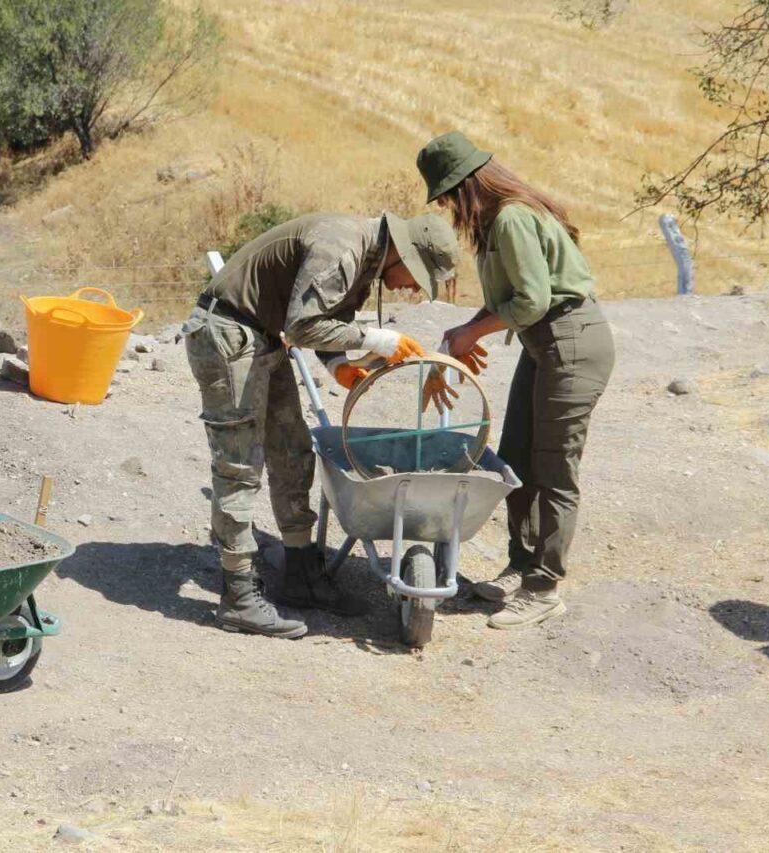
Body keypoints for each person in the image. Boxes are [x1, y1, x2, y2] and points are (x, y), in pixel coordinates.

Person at [186, 211, 462, 638]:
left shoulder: (366, 260)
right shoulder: (342, 247)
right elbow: (303, 325)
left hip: (261, 336)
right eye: (415, 277)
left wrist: (337, 366)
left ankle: (301, 575)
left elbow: (328, 323)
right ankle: (238, 597)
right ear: (402, 253)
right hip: (229, 334)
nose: (411, 288)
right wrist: (379, 340)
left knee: (292, 451)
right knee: (239, 466)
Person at [416, 131, 615, 629]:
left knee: (553, 468)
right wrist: (462, 333)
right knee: (517, 457)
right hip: (542, 343)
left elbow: (533, 300)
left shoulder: (511, 218)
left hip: (571, 342)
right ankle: (521, 566)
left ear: (466, 185)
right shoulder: (496, 224)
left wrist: (474, 332)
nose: (445, 206)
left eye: (446, 195)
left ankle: (544, 587)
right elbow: (507, 300)